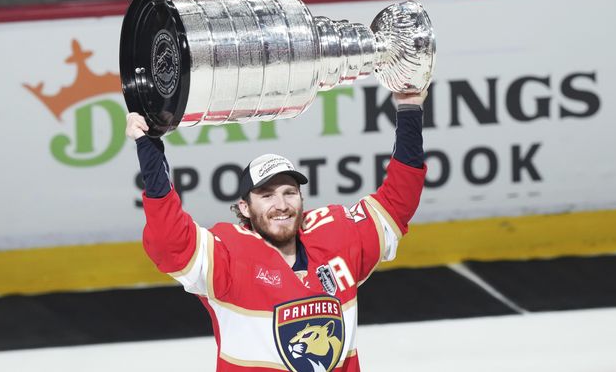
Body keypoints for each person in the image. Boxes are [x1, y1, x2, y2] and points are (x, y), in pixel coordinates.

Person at [126, 89, 428, 372]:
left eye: (289, 192)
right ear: (244, 207)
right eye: (267, 195)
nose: (281, 204)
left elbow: (398, 200)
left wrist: (410, 107)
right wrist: (149, 147)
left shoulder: (337, 238)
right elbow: (170, 240)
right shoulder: (228, 257)